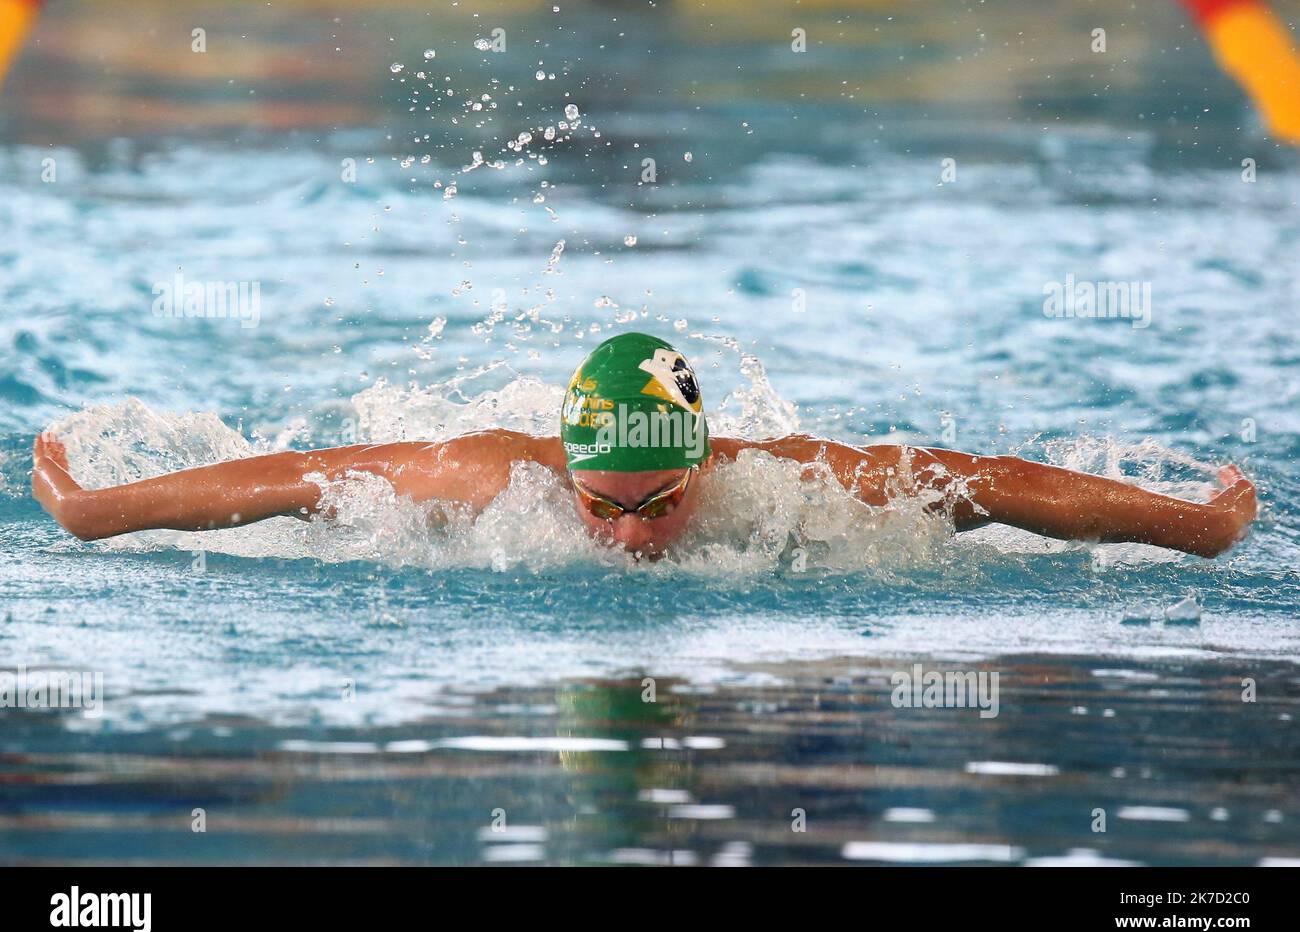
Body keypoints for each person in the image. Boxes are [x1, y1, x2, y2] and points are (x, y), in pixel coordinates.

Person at [32, 332, 1257, 560]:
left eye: (656, 502)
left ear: (705, 460)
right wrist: (100, 507)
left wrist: (1195, 526)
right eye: (599, 503)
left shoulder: (792, 490)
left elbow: (992, 487)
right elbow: (293, 481)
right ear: (563, 469)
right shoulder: (496, 478)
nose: (625, 536)